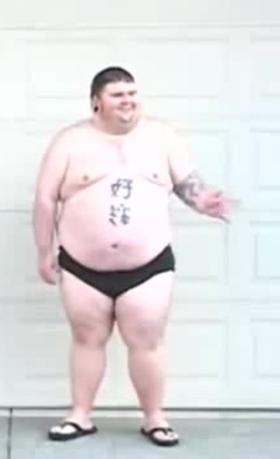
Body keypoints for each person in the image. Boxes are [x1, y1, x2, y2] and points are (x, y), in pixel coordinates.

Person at [31, 66, 235, 447]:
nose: (128, 101)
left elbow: (187, 184)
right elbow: (45, 199)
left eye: (132, 93)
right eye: (118, 95)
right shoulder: (70, 142)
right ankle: (80, 415)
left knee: (147, 341)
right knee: (86, 338)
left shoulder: (162, 137)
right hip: (82, 267)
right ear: (96, 102)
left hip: (149, 267)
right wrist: (44, 251)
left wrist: (205, 201)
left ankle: (155, 418)